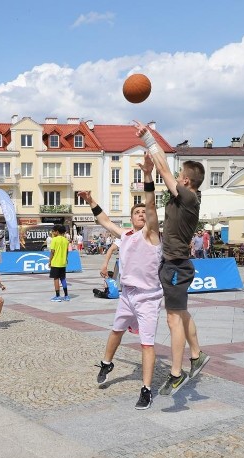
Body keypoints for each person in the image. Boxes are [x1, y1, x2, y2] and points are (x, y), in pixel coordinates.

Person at [78, 153, 162, 410]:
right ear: (131, 217)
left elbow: (150, 205)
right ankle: (107, 362)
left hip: (148, 297)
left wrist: (147, 175)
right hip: (127, 295)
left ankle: (146, 390)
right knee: (116, 331)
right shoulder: (125, 235)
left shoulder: (152, 234)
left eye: (142, 212)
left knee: (146, 343)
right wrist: (92, 201)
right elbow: (103, 220)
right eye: (135, 212)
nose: (140, 214)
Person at [136, 121, 210, 396]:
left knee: (173, 320)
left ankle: (177, 374)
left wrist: (147, 137)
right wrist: (147, 173)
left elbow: (164, 168)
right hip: (172, 263)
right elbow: (162, 177)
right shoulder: (182, 199)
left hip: (177, 264)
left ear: (187, 181)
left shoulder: (189, 197)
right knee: (182, 313)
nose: (175, 177)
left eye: (180, 176)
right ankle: (197, 355)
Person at [48, 224, 70, 301]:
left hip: (55, 262)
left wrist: (49, 261)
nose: (52, 232)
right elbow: (67, 252)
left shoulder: (54, 239)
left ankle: (57, 296)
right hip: (63, 263)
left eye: (53, 231)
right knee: (63, 279)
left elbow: (52, 252)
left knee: (56, 279)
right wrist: (66, 259)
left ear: (57, 231)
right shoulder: (66, 240)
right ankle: (66, 295)